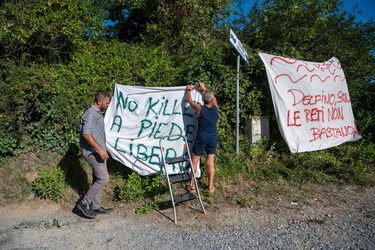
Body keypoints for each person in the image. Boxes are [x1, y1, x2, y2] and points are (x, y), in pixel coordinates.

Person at [77, 91, 113, 219]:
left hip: (98, 151)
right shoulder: (91, 114)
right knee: (104, 178)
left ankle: (95, 206)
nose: (108, 105)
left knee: (97, 178)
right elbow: (86, 134)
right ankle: (84, 204)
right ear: (99, 101)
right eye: (106, 102)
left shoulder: (96, 113)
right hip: (93, 152)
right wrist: (100, 150)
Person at [185, 82, 219, 193]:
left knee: (195, 161)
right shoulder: (215, 108)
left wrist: (189, 90)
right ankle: (210, 187)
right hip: (212, 139)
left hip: (201, 139)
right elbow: (213, 98)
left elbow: (189, 101)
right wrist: (204, 88)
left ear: (203, 99)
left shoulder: (200, 109)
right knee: (210, 162)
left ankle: (192, 186)